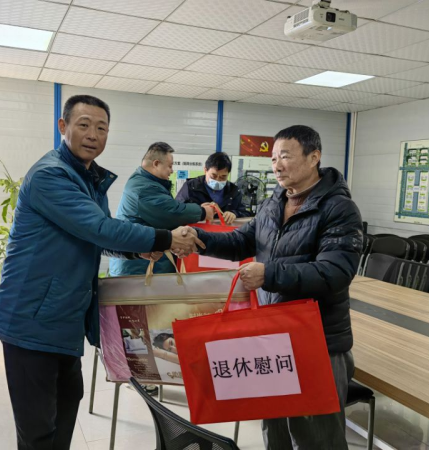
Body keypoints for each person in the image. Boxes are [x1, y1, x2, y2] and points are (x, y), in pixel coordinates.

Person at [0, 94, 203, 450]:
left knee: (66, 407)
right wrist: (166, 238)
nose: (93, 135)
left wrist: (137, 248)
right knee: (38, 429)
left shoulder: (87, 178)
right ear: (63, 126)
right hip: (30, 320)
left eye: (101, 128)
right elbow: (99, 228)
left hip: (64, 318)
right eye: (84, 125)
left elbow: (95, 236)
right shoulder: (50, 176)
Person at [187, 125, 363, 450]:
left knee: (316, 439)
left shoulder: (339, 208)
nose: (277, 166)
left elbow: (335, 272)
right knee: (275, 431)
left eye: (285, 157)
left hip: (317, 340)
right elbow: (240, 242)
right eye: (273, 159)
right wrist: (197, 239)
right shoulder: (273, 202)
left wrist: (268, 274)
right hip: (273, 336)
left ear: (314, 157)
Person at [109, 142, 214, 276]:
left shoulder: (145, 182)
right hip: (138, 267)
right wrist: (203, 212)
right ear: (156, 164)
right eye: (170, 166)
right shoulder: (144, 188)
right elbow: (172, 213)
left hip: (144, 262)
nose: (172, 170)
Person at [176, 152, 253, 224]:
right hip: (196, 230)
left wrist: (234, 214)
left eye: (223, 177)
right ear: (205, 170)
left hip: (224, 232)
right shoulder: (191, 187)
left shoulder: (234, 191)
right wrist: (198, 210)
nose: (218, 180)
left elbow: (246, 213)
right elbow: (176, 210)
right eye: (213, 176)